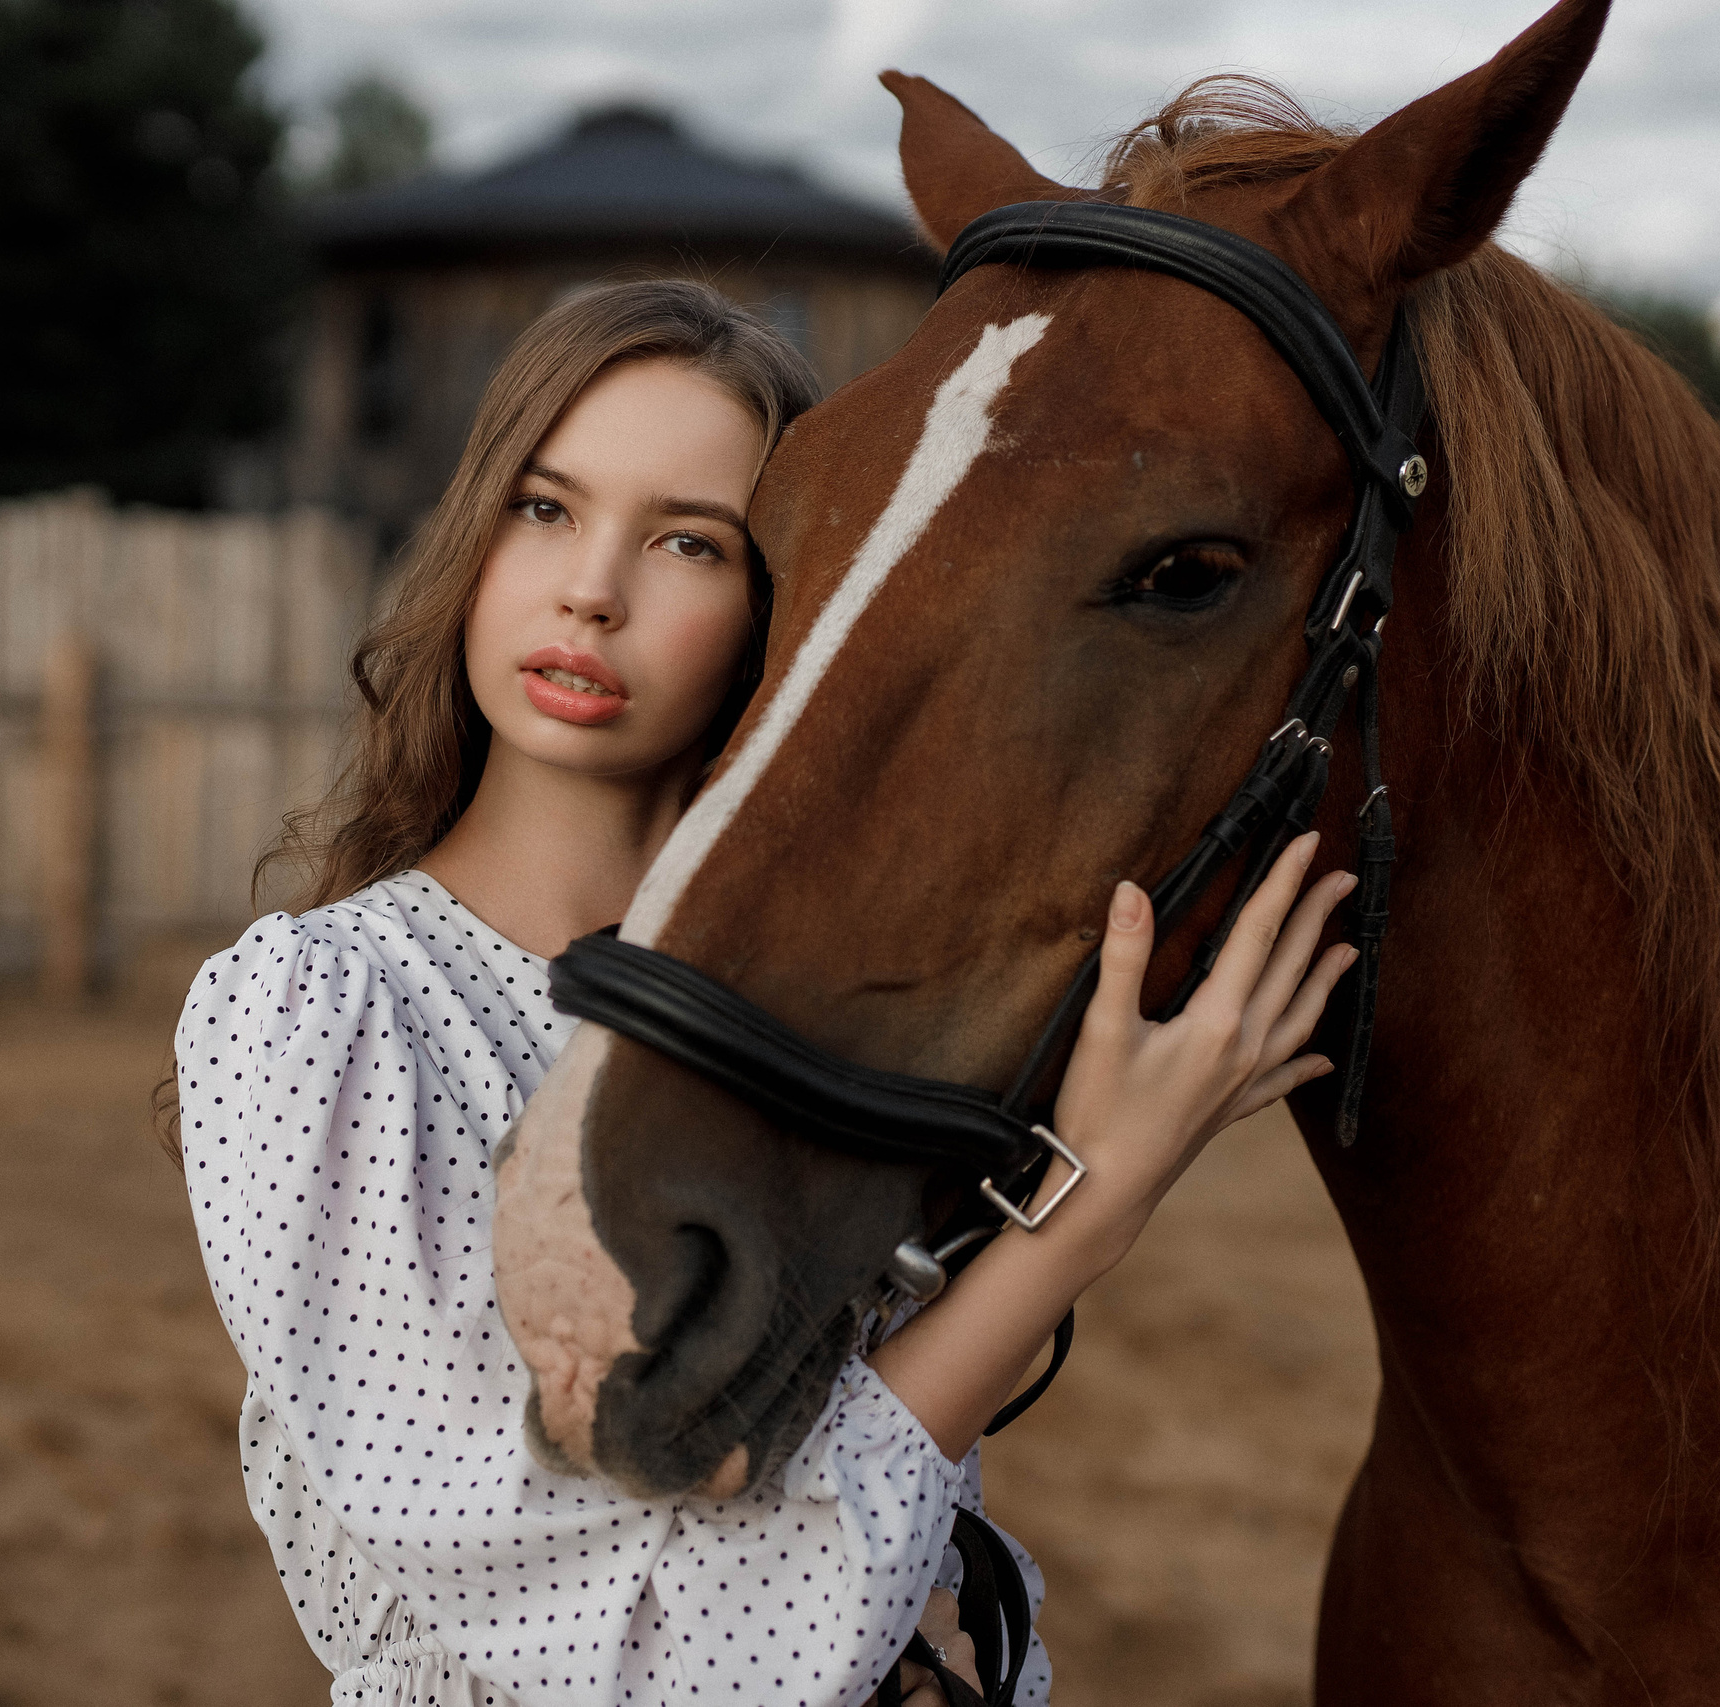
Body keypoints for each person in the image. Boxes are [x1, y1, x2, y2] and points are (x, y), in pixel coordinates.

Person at [171, 279, 1356, 1707]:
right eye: (546, 508)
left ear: (778, 607)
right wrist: (1085, 1209)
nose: (592, 588)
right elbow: (637, 1656)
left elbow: (867, 1503)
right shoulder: (322, 1016)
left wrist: (930, 1628)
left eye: (688, 542)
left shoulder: (810, 1023)